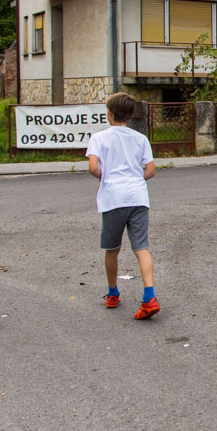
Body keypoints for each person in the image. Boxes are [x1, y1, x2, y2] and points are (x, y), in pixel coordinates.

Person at [85, 92, 160, 319]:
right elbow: (150, 171)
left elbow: (93, 167)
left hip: (113, 199)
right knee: (141, 247)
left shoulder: (99, 138)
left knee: (112, 248)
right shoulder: (141, 139)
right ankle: (149, 296)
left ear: (109, 113)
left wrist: (105, 178)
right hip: (138, 197)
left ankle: (113, 293)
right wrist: (134, 179)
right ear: (131, 115)